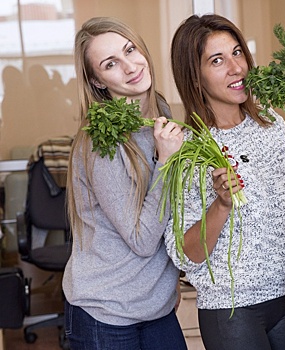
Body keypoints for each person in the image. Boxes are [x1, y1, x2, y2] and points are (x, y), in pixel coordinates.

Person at [164, 14, 285, 350]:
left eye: (237, 53)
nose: (236, 68)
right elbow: (186, 252)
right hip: (231, 308)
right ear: (195, 78)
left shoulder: (269, 120)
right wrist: (221, 204)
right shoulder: (189, 149)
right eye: (217, 60)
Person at [63, 17, 187, 350]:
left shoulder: (161, 112)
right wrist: (166, 162)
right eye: (111, 64)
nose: (130, 66)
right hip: (105, 313)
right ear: (98, 81)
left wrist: (167, 281)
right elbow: (142, 239)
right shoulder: (99, 140)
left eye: (130, 50)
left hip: (155, 305)